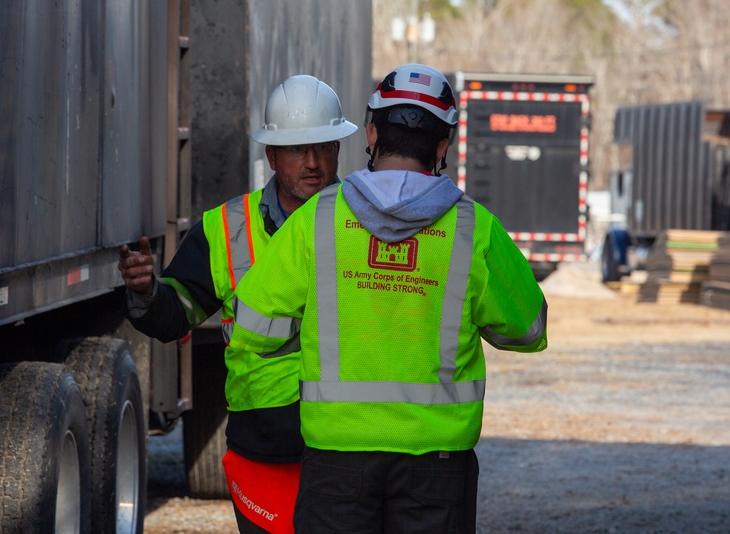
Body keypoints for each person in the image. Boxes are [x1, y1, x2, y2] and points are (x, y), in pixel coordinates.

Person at [229, 63, 548, 533]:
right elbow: (529, 329)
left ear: (372, 132)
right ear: (443, 145)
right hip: (437, 467)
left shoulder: (318, 220)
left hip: (335, 461)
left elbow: (250, 324)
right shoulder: (474, 229)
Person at [118, 75, 357, 533]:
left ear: (338, 149)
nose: (312, 162)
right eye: (296, 149)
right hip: (262, 452)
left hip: (346, 454)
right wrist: (147, 291)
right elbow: (176, 315)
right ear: (271, 155)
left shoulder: (365, 224)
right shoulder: (226, 229)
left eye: (323, 147)